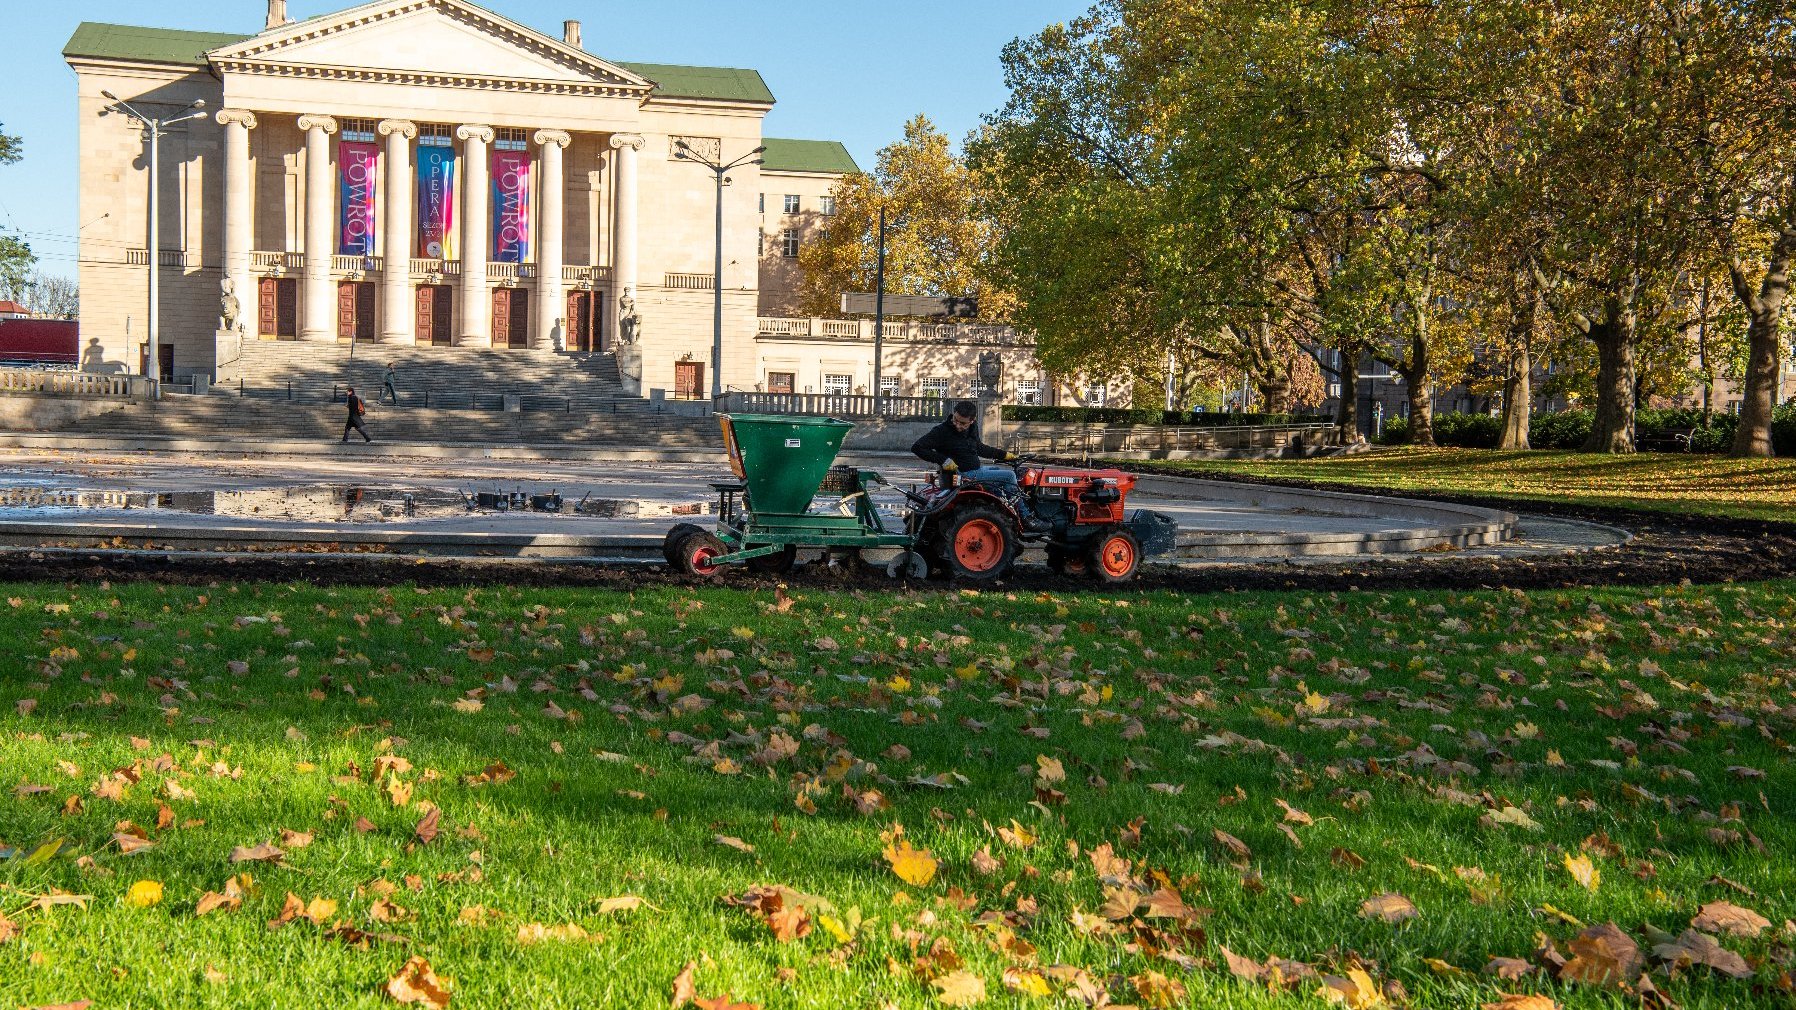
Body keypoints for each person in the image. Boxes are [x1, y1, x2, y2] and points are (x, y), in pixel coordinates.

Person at [911, 400, 1049, 531]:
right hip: (965, 475)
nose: (958, 425)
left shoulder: (972, 429)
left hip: (976, 470)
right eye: (955, 420)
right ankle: (1026, 517)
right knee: (1009, 476)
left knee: (997, 471)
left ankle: (1001, 511)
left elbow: (979, 448)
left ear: (972, 421)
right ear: (953, 414)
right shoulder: (941, 431)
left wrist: (1005, 455)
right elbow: (917, 447)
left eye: (963, 423)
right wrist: (944, 460)